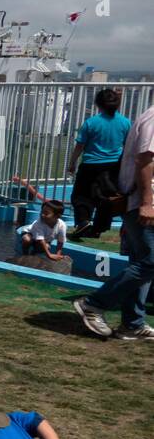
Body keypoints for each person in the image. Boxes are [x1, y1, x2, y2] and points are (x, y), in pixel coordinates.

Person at [73, 102, 154, 340]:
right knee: (150, 263)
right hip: (143, 204)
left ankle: (133, 323)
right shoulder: (152, 119)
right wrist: (148, 203)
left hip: (139, 203)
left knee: (143, 263)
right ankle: (94, 303)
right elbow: (145, 159)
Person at [67, 89, 131, 239]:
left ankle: (83, 221)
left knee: (81, 196)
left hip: (90, 165)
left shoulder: (91, 123)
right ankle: (98, 229)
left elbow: (80, 146)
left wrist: (72, 163)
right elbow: (128, 145)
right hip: (113, 166)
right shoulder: (125, 122)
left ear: (97, 104)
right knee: (107, 198)